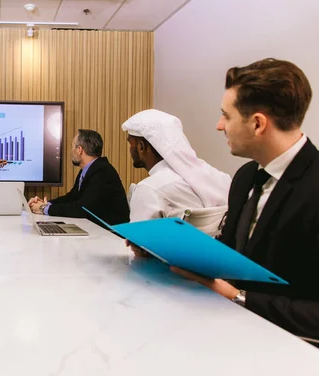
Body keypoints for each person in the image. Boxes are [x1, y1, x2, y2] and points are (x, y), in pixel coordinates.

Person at [172, 58, 319, 339]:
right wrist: (161, 251)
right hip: (230, 333)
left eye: (226, 116)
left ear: (257, 124)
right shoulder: (244, 177)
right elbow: (227, 255)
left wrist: (239, 298)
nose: (219, 125)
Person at [122, 109, 231, 256]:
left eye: (131, 144)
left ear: (141, 146)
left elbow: (140, 251)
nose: (130, 150)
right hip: (214, 271)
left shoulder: (150, 189)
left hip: (164, 275)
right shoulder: (220, 178)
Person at [27, 129, 130, 227]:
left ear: (79, 150)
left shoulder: (102, 172)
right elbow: (72, 197)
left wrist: (43, 208)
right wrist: (47, 203)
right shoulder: (89, 170)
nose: (71, 150)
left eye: (73, 146)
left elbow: (82, 209)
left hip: (111, 236)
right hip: (96, 231)